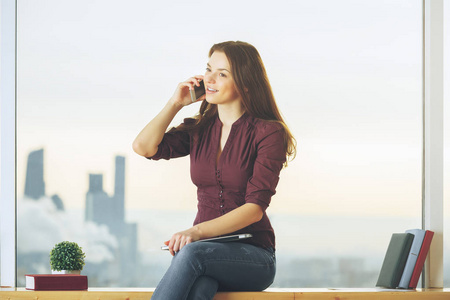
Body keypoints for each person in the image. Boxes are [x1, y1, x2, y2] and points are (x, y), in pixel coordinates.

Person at [133, 41, 296, 300]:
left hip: (253, 255)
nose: (210, 78)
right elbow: (144, 147)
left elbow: (254, 209)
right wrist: (175, 103)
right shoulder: (200, 129)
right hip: (204, 254)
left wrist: (194, 232)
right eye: (208, 69)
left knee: (192, 253)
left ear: (245, 83)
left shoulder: (268, 132)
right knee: (200, 291)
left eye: (222, 74)